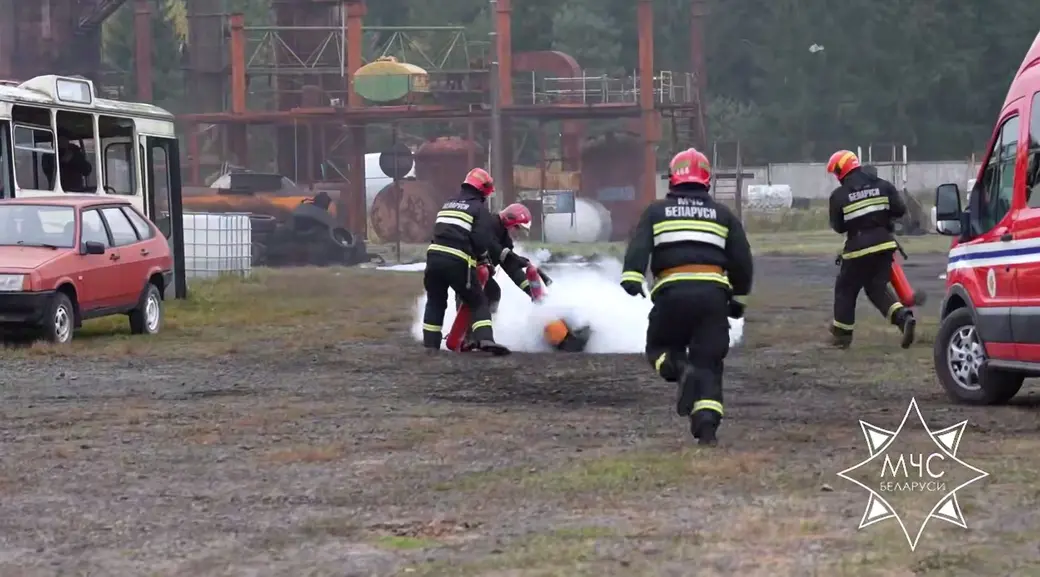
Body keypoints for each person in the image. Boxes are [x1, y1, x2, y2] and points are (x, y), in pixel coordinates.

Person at [619, 148, 753, 445]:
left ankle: (679, 369)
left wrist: (632, 276)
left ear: (673, 178)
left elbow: (639, 246)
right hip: (712, 298)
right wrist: (738, 299)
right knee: (709, 362)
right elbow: (742, 259)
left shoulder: (656, 211)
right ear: (707, 179)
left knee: (658, 347)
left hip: (671, 295)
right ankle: (706, 427)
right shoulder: (723, 215)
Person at [421, 168, 528, 355]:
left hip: (433, 258)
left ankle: (430, 346)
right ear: (485, 190)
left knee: (435, 301)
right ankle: (485, 339)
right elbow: (480, 239)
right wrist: (483, 259)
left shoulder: (448, 204)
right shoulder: (479, 209)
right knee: (478, 300)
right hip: (457, 260)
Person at [826, 149, 915, 349]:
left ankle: (842, 336)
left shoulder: (839, 196)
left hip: (858, 249)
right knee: (877, 288)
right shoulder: (883, 185)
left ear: (841, 170)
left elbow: (839, 226)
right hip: (885, 245)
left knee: (845, 290)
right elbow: (900, 210)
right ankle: (903, 317)